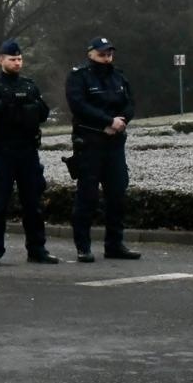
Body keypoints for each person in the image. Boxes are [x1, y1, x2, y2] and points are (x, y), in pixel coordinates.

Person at [0, 39, 59, 266]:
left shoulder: (29, 86)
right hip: (4, 151)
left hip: (28, 151)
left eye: (19, 59)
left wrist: (33, 106)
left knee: (33, 204)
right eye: (12, 59)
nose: (17, 63)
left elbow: (44, 113)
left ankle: (37, 249)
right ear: (1, 60)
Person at [65, 37, 140, 262]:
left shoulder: (118, 76)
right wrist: (106, 121)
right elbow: (79, 106)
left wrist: (121, 121)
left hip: (115, 143)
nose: (106, 58)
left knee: (117, 194)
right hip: (90, 142)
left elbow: (130, 103)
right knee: (87, 196)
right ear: (90, 54)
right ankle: (83, 247)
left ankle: (114, 245)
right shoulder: (79, 77)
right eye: (102, 54)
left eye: (109, 54)